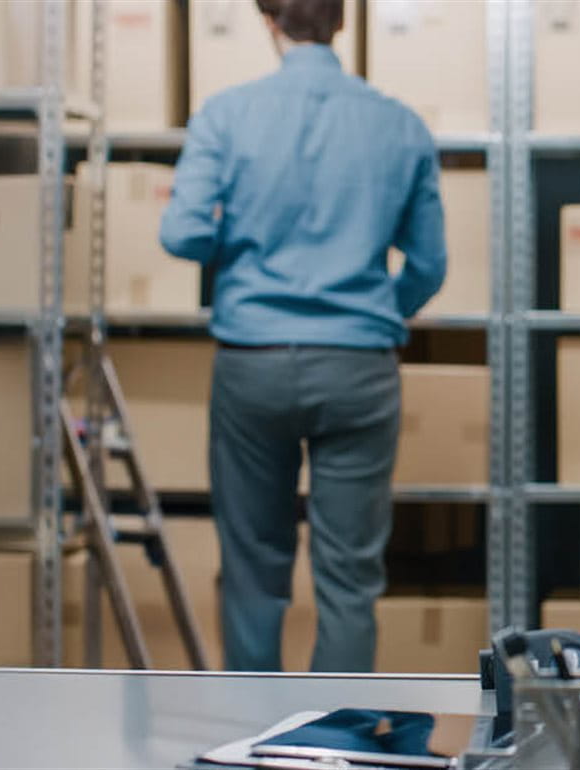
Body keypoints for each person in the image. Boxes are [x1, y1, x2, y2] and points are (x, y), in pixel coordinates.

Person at [158, 0, 446, 672]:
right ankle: (339, 742)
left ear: (269, 21)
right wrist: (375, 311)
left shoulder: (227, 115)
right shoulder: (399, 125)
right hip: (359, 368)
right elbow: (429, 265)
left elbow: (182, 233)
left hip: (252, 360)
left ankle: (254, 741)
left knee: (254, 569)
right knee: (349, 581)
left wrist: (242, 249)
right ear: (342, 23)